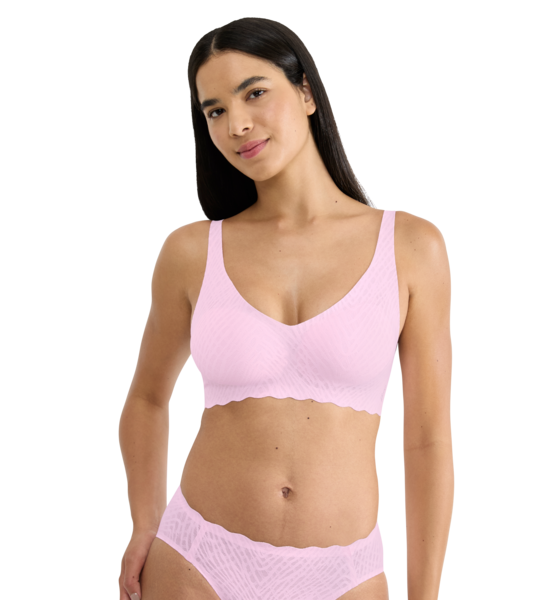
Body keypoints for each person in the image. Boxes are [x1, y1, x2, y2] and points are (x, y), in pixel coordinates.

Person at [117, 17, 455, 600]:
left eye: (254, 93)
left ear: (305, 92)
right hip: (197, 560)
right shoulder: (191, 251)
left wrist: (424, 595)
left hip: (344, 573)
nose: (237, 124)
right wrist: (145, 523)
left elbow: (427, 439)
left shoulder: (410, 247)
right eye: (215, 110)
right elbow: (146, 399)